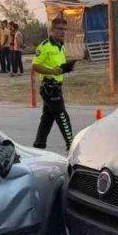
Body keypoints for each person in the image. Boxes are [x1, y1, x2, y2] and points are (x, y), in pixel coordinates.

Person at [33, 16, 75, 150]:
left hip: (57, 86)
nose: (63, 32)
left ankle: (38, 146)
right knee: (62, 115)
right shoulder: (45, 46)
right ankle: (71, 144)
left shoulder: (61, 46)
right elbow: (35, 66)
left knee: (47, 118)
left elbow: (58, 67)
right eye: (60, 29)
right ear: (52, 29)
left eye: (64, 29)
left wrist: (66, 67)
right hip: (49, 88)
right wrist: (51, 71)